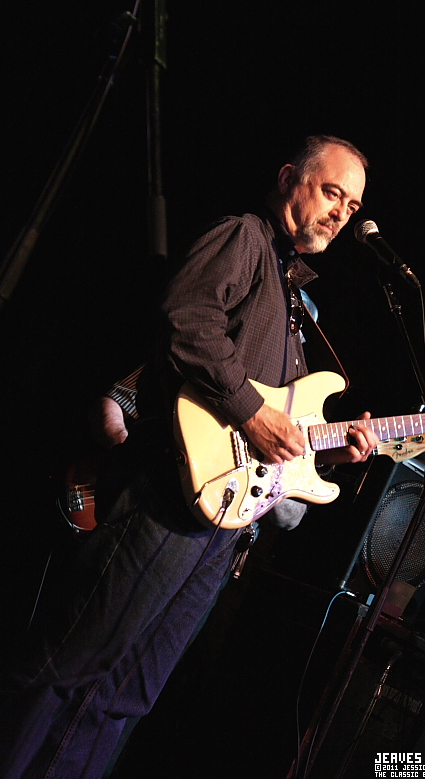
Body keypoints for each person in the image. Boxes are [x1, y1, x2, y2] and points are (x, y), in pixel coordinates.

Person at [0, 134, 379, 779]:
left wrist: (330, 451)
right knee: (71, 662)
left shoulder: (293, 301)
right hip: (167, 500)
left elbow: (280, 430)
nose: (341, 213)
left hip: (220, 526)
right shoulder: (244, 237)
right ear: (289, 178)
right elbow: (187, 317)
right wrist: (252, 413)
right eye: (331, 192)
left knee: (127, 695)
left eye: (352, 205)